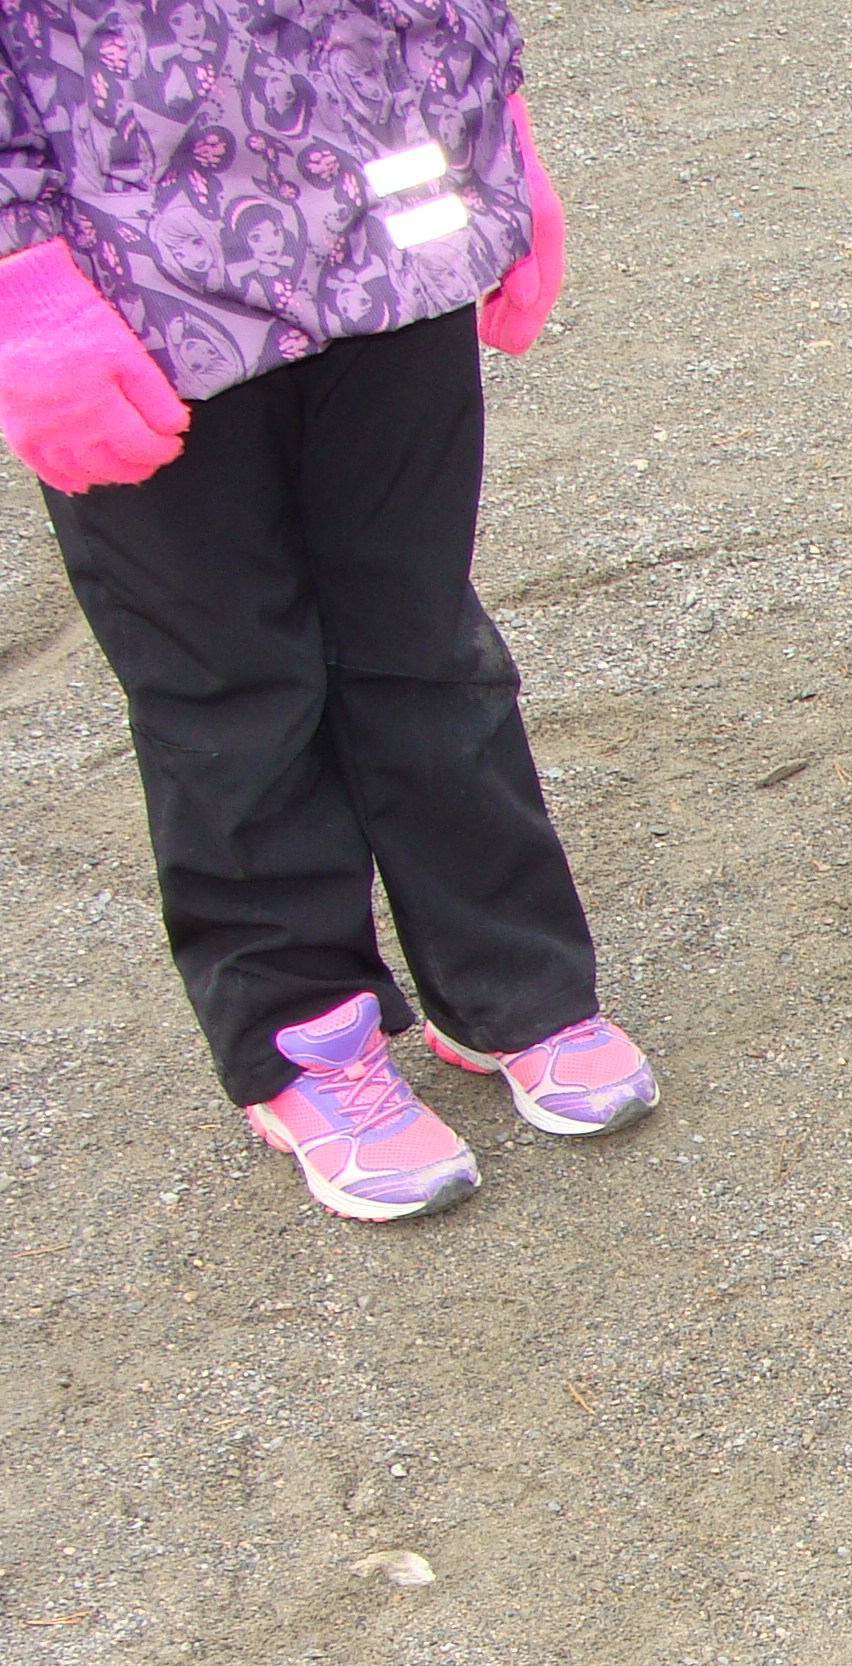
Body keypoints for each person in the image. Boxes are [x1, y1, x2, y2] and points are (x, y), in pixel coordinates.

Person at [0, 2, 655, 1224]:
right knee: (227, 683)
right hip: (129, 275)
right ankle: (303, 1032)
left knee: (423, 638)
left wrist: (494, 137)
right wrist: (18, 280)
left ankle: (507, 980)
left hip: (381, 236)